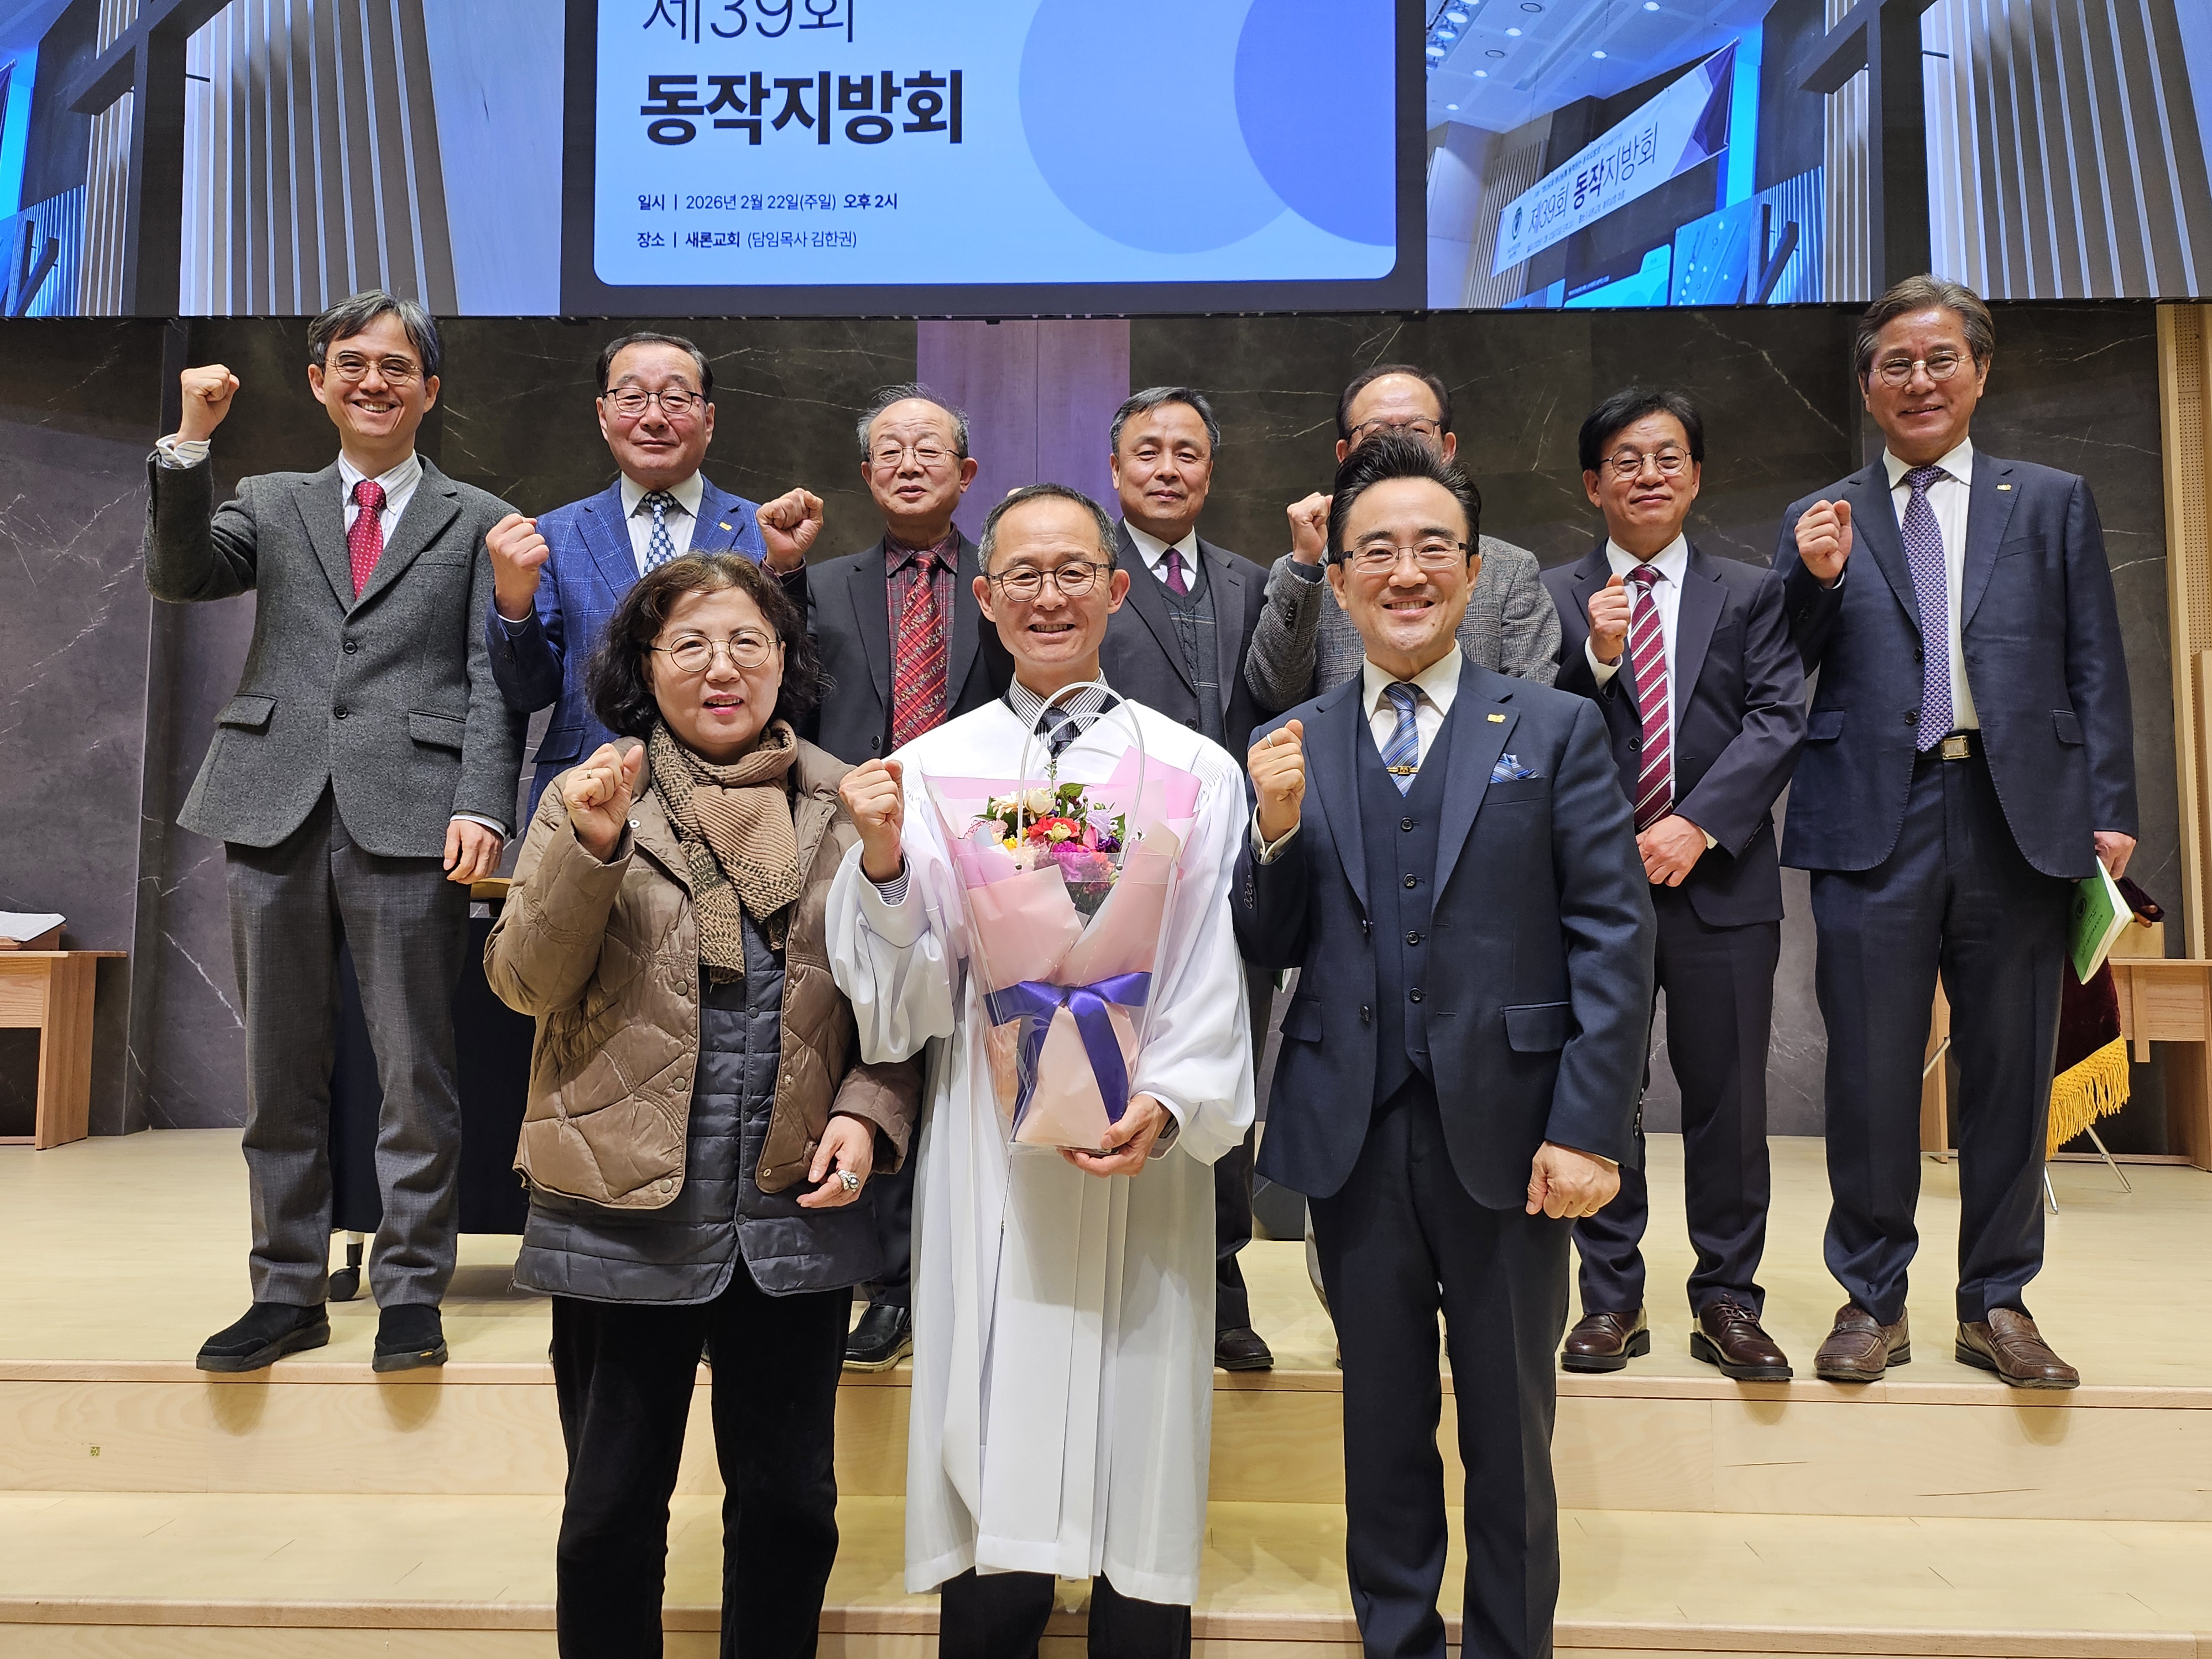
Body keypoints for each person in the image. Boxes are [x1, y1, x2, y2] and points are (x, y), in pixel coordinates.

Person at [1234, 435, 1653, 1659]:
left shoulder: (1556, 727)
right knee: (1380, 1423)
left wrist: (1588, 1129)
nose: (1404, 572)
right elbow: (1267, 942)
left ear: (1474, 573)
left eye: (1432, 549)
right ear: (1340, 579)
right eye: (1376, 551)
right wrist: (1272, 834)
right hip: (1353, 1135)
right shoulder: (1295, 737)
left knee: (1510, 1430)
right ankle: (1397, 1639)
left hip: (1515, 1137)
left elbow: (1612, 938)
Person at [828, 483, 1255, 1658]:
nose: (1048, 595)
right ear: (985, 597)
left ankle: (1135, 1621)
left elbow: (1208, 957)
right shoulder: (930, 769)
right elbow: (908, 997)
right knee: (993, 1398)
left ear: (1116, 591)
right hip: (991, 1141)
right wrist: (880, 867)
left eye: (1073, 572)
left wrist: (1168, 1100)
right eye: (1023, 574)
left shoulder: (1193, 769)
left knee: (1138, 1408)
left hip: (1139, 1146)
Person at [484, 551, 919, 1657]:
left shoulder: (848, 805)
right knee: (608, 1514)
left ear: (784, 661)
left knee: (788, 1509)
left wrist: (867, 1112)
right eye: (688, 644)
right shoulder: (592, 797)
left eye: (746, 644)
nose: (720, 668)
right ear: (645, 664)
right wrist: (588, 852)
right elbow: (524, 984)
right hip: (619, 1212)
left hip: (789, 1216)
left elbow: (903, 1007)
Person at [144, 290, 524, 1375]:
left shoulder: (479, 517)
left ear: (430, 390)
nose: (373, 382)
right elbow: (179, 574)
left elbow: (493, 680)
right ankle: (285, 1290)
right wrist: (190, 442)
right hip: (271, 802)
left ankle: (410, 1291)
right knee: (278, 1069)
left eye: (397, 366)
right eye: (352, 362)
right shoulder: (269, 501)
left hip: (412, 812)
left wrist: (481, 802)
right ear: (318, 383)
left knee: (416, 1070)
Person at [1776, 275, 2137, 1390]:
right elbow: (1779, 667)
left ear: (1979, 371)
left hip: (2017, 813)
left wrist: (2109, 806)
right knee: (1867, 1075)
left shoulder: (2051, 500)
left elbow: (2093, 659)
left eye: (1940, 359)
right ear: (1867, 385)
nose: (1918, 380)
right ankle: (1868, 1300)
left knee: (2009, 1072)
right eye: (1895, 363)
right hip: (1870, 819)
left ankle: (1997, 1303)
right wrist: (1813, 583)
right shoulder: (1826, 515)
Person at [1543, 389, 1807, 1380]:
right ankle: (1611, 1297)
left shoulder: (1753, 592)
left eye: (1667, 457)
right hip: (1593, 890)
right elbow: (1532, 728)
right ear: (1593, 484)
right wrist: (1597, 660)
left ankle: (1729, 1298)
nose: (1648, 475)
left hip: (1720, 882)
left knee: (1729, 1100)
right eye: (1626, 459)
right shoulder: (1557, 597)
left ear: (1695, 476)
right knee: (1602, 1091)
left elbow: (1778, 719)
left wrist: (1697, 824)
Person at [791, 382, 1014, 1371]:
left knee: (974, 1047)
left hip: (979, 843)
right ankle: (884, 1281)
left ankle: (974, 1262)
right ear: (867, 474)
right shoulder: (822, 584)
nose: (910, 463)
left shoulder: (1004, 585)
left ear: (968, 474)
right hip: (852, 842)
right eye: (891, 450)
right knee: (873, 1041)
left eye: (930, 449)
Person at [1097, 385, 1275, 1373]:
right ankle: (1114, 1266)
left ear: (1211, 468)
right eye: (1148, 451)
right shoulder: (1085, 577)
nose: (1168, 469)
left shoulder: (1255, 581)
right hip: (1113, 870)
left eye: (1188, 453)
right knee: (1112, 1059)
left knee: (1227, 1059)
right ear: (1115, 468)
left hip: (1237, 869)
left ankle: (1221, 1278)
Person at [483, 330, 824, 815]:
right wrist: (513, 604)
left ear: (708, 419)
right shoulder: (555, 533)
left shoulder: (763, 529)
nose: (654, 417)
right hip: (589, 788)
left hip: (734, 797)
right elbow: (527, 692)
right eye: (631, 398)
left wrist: (785, 568)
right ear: (603, 415)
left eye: (676, 399)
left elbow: (792, 682)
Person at [1242, 363, 1560, 711]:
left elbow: (1532, 709)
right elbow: (1275, 694)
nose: (1398, 441)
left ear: (1448, 448)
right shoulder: (1312, 571)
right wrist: (1306, 565)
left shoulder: (1509, 568)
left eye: (1418, 429)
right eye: (1376, 432)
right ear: (1345, 455)